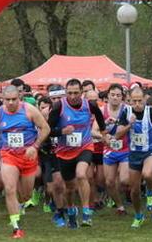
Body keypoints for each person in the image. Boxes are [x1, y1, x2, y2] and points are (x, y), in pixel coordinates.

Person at [0, 85, 50, 239]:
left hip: (28, 156)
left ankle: (20, 204)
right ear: (2, 99)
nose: (10, 103)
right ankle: (16, 226)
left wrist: (35, 146)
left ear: (19, 98)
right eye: (7, 100)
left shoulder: (29, 110)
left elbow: (45, 128)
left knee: (25, 195)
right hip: (8, 155)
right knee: (9, 188)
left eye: (13, 99)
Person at [47, 79, 106, 228]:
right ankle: (71, 211)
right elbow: (48, 130)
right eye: (70, 93)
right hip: (64, 152)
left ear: (81, 93)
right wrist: (62, 131)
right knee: (70, 188)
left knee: (81, 174)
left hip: (84, 146)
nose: (73, 96)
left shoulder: (89, 105)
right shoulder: (59, 106)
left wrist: (105, 135)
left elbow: (100, 118)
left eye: (76, 93)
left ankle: (86, 211)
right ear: (66, 93)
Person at [115, 87, 152, 228]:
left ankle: (150, 193)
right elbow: (118, 134)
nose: (137, 104)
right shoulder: (126, 112)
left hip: (151, 150)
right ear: (129, 101)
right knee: (134, 191)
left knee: (148, 173)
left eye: (140, 101)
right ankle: (139, 215)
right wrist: (129, 124)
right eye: (134, 101)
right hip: (134, 153)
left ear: (145, 99)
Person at [36, 97, 67, 227]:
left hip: (65, 153)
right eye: (53, 98)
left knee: (65, 186)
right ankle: (59, 209)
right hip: (49, 154)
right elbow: (43, 132)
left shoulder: (67, 113)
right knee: (51, 188)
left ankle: (63, 211)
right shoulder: (44, 113)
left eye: (58, 98)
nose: (56, 100)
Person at [102, 84, 131, 216]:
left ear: (122, 98)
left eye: (118, 95)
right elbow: (94, 131)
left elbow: (120, 132)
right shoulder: (102, 111)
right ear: (108, 96)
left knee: (124, 179)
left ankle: (131, 193)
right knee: (109, 182)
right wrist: (105, 135)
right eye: (112, 95)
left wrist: (112, 131)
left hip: (125, 148)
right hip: (109, 150)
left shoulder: (127, 110)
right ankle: (120, 206)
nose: (115, 98)